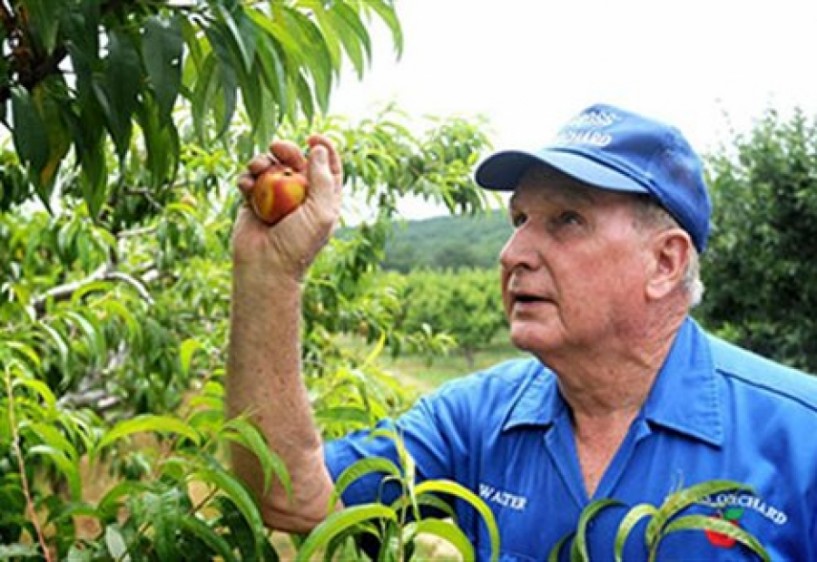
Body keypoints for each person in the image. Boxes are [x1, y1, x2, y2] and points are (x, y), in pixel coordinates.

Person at [227, 104, 817, 561]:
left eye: (567, 220)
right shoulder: (477, 420)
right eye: (518, 220)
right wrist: (270, 275)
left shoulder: (800, 439)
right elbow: (290, 495)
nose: (513, 253)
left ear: (664, 263)